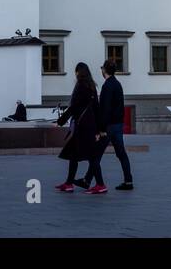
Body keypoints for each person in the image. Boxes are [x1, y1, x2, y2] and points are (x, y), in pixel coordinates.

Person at [78, 59, 134, 191]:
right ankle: (128, 181)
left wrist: (101, 129)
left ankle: (93, 182)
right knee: (121, 153)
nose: (101, 71)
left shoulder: (107, 86)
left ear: (104, 70)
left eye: (102, 68)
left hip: (108, 126)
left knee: (95, 155)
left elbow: (105, 109)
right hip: (118, 125)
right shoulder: (117, 84)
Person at [55, 62, 107, 194]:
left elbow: (74, 107)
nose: (75, 74)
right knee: (74, 154)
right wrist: (99, 129)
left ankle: (100, 184)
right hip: (89, 126)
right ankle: (69, 183)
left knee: (91, 157)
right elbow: (96, 108)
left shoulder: (80, 86)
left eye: (76, 72)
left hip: (82, 127)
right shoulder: (91, 86)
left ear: (79, 72)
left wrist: (61, 121)